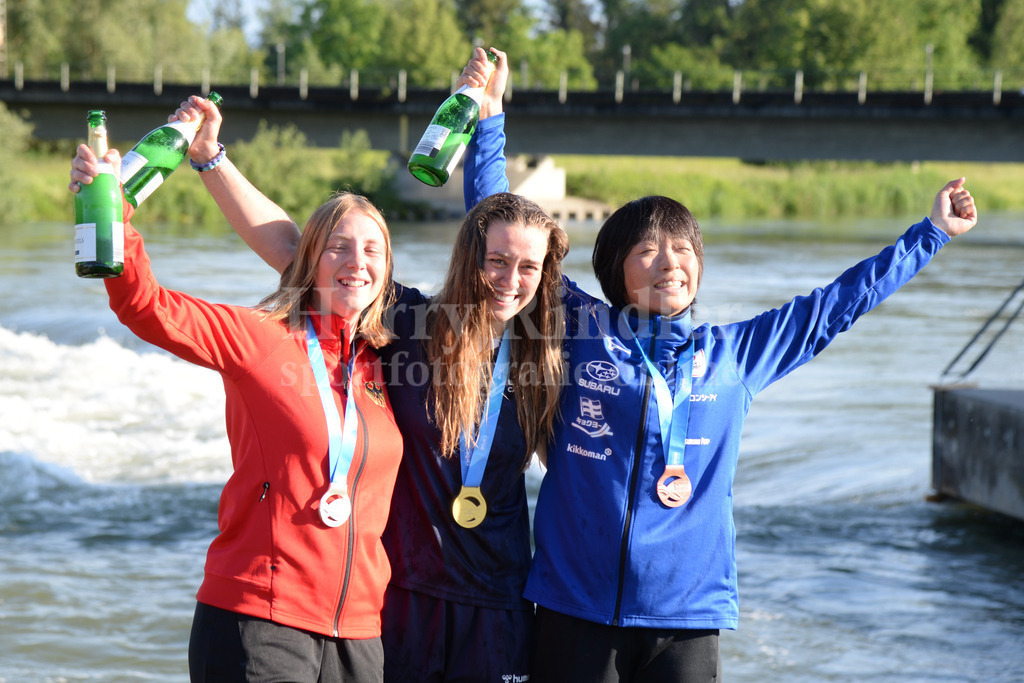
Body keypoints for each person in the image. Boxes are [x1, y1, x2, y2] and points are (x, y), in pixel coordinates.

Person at [465, 111, 978, 681]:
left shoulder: (736, 356)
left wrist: (930, 233)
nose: (670, 263)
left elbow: (836, 306)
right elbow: (500, 228)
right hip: (574, 607)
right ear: (615, 269)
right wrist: (489, 123)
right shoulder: (581, 328)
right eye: (648, 251)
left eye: (683, 249)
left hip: (686, 618)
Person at [174, 46, 569, 682]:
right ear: (470, 258)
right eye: (496, 263)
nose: (509, 280)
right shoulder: (407, 325)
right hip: (398, 600)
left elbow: (591, 477)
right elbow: (293, 252)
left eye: (527, 270)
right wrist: (212, 161)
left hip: (496, 607)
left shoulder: (546, 351)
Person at [69, 152, 404, 681]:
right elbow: (146, 306)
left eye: (371, 249)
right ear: (309, 259)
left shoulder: (383, 363)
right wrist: (113, 214)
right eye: (338, 247)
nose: (356, 263)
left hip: (360, 634)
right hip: (260, 621)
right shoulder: (259, 336)